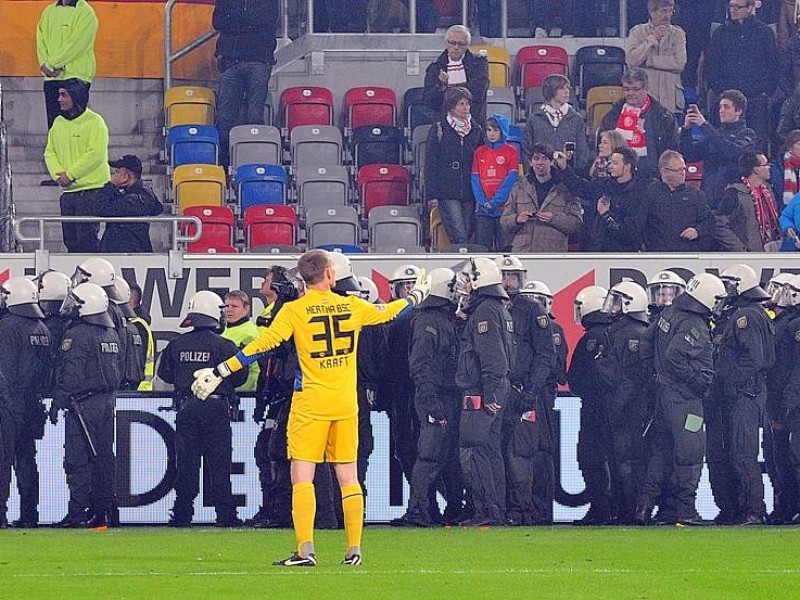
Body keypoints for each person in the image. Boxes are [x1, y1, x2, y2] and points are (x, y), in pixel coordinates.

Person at [191, 250, 431, 567]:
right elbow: (390, 312)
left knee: (301, 476)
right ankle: (353, 549)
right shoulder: (352, 306)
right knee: (348, 477)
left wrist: (220, 371)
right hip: (345, 404)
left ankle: (306, 550)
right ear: (330, 275)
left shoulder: (294, 311)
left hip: (310, 405)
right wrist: (416, 295)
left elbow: (260, 347)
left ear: (303, 278)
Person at [634, 273, 725, 525]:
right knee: (691, 452)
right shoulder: (694, 323)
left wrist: (654, 375)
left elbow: (647, 342)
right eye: (716, 299)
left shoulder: (670, 312)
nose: (718, 305)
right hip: (686, 401)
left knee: (661, 454)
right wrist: (697, 381)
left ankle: (645, 507)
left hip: (664, 397)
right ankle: (685, 510)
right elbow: (675, 356)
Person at [158, 291, 247, 527]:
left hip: (187, 409)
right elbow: (240, 377)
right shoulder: (226, 346)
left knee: (186, 462)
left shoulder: (177, 344)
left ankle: (182, 514)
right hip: (217, 409)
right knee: (219, 463)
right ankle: (226, 515)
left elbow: (164, 374)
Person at [392, 268, 461, 527]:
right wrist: (432, 402)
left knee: (444, 456)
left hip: (444, 396)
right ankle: (419, 511)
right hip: (435, 397)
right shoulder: (428, 321)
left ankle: (446, 509)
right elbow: (420, 365)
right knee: (430, 456)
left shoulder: (440, 319)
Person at [49, 282, 121, 528]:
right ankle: (104, 511)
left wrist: (58, 401)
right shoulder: (110, 333)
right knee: (102, 457)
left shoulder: (77, 335)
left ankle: (78, 512)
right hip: (106, 403)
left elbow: (72, 374)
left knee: (78, 460)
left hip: (82, 404)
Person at [710, 265, 776, 525]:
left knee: (743, 455)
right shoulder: (746, 314)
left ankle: (754, 510)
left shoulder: (746, 317)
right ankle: (738, 509)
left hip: (745, 394)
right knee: (733, 454)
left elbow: (755, 359)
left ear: (741, 286)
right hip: (741, 393)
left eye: (729, 285)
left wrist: (730, 382)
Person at [453, 257, 514, 527]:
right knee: (489, 452)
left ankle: (485, 511)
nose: (465, 285)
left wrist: (490, 396)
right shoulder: (496, 308)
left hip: (482, 393)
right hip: (492, 390)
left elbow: (493, 358)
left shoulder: (485, 312)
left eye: (469, 279)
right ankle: (494, 509)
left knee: (474, 450)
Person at [497, 258, 556, 526]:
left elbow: (546, 355)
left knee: (521, 455)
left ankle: (522, 510)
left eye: (514, 276)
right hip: (496, 393)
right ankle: (500, 508)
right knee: (494, 453)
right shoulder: (488, 308)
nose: (510, 282)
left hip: (523, 393)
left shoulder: (533, 311)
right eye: (506, 276)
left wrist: (531, 391)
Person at [594, 282, 651, 524]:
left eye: (617, 301)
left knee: (628, 461)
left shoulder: (632, 333)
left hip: (629, 410)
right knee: (619, 460)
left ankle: (630, 510)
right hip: (619, 405)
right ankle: (623, 509)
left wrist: (618, 404)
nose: (612, 306)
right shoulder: (618, 330)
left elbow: (632, 376)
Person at [0, 278, 51, 529]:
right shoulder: (42, 328)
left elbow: (4, 369)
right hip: (34, 401)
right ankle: (30, 513)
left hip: (10, 401)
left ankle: (1, 514)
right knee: (27, 459)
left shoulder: (7, 327)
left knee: (3, 460)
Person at [43, 78, 109, 253]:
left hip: (91, 192)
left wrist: (70, 175)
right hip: (68, 193)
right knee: (70, 241)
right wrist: (59, 176)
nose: (59, 99)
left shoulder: (95, 122)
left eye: (63, 95)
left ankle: (91, 277)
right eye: (59, 95)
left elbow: (96, 154)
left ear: (76, 96)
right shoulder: (58, 122)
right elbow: (49, 152)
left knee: (87, 242)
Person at [212, 0, 278, 169]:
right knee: (225, 118)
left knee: (254, 117)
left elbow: (264, 20)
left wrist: (234, 22)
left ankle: (252, 165)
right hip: (230, 61)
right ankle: (224, 166)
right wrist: (246, 24)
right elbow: (218, 21)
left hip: (259, 60)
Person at [519, 279, 565, 524]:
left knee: (542, 450)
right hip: (525, 392)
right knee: (523, 451)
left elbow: (558, 370)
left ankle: (541, 509)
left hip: (543, 395)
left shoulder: (554, 330)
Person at [568, 285, 614, 525]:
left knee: (590, 458)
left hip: (593, 410)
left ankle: (599, 509)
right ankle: (618, 509)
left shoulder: (590, 339)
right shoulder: (615, 333)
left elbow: (574, 377)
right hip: (618, 412)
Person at [705, 0, 779, 144]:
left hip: (756, 98)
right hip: (727, 97)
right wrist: (721, 90)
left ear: (750, 7)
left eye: (738, 7)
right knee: (724, 142)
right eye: (731, 6)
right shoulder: (720, 33)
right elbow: (711, 66)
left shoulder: (764, 32)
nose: (733, 10)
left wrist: (764, 91)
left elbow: (773, 66)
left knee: (757, 142)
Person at [425, 87, 484, 245]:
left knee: (469, 231)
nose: (466, 108)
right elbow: (431, 162)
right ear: (451, 106)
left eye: (467, 104)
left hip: (470, 190)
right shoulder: (439, 129)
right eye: (461, 104)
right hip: (447, 190)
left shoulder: (477, 130)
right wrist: (432, 194)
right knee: (459, 234)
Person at [598, 67, 680, 181]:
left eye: (635, 89)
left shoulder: (663, 116)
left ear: (646, 88)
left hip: (652, 179)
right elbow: (602, 143)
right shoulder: (613, 114)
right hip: (619, 180)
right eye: (627, 89)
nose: (630, 93)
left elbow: (672, 150)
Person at [680, 90, 758, 208]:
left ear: (739, 111)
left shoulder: (747, 134)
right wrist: (687, 129)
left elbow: (731, 152)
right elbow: (689, 155)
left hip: (732, 199)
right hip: (709, 197)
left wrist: (704, 125)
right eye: (720, 107)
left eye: (726, 107)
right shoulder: (715, 134)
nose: (721, 110)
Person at [381, 264, 421, 487]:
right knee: (406, 447)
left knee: (419, 449)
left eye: (413, 285)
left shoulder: (429, 317)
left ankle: (427, 505)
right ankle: (425, 505)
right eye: (405, 286)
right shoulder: (388, 319)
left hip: (416, 391)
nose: (409, 291)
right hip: (402, 392)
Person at [500, 143, 583, 253]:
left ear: (551, 161)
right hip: (523, 253)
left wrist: (554, 219)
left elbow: (576, 224)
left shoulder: (566, 188)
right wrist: (517, 219)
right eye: (536, 158)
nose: (540, 162)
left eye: (544, 158)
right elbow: (504, 222)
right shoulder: (519, 187)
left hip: (552, 254)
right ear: (530, 162)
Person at [764, 274, 800, 523]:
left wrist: (787, 402)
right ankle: (785, 507)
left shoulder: (792, 326)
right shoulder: (780, 324)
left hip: (790, 403)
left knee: (794, 456)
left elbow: (792, 369)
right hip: (778, 401)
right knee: (777, 458)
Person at [36, 0, 98, 131]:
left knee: (75, 131)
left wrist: (51, 65)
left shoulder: (85, 13)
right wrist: (44, 64)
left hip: (76, 78)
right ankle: (57, 152)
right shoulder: (48, 12)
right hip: (52, 79)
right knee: (55, 129)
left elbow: (78, 45)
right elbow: (40, 40)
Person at [637, 150, 714, 251]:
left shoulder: (696, 194)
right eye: (678, 170)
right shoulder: (649, 193)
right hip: (656, 256)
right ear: (664, 171)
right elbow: (639, 223)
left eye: (683, 169)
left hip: (689, 256)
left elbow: (709, 221)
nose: (682, 173)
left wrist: (697, 231)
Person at [625, 0, 687, 115]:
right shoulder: (637, 32)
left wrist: (649, 61)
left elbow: (679, 63)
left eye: (670, 11)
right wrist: (651, 39)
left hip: (671, 99)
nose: (667, 16)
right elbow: (631, 60)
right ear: (652, 12)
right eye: (663, 11)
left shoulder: (678, 34)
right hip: (646, 98)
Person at [715, 151, 782, 252]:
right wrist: (741, 249)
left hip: (770, 252)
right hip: (747, 256)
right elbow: (720, 225)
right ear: (756, 169)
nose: (769, 167)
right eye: (765, 164)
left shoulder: (768, 191)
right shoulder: (734, 193)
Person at [96, 155, 163, 253]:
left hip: (129, 254)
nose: (114, 175)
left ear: (127, 176)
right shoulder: (130, 192)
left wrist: (111, 185)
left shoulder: (138, 198)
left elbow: (102, 208)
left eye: (118, 172)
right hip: (121, 252)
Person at [471, 114, 519, 251]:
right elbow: (475, 179)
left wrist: (495, 202)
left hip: (504, 210)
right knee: (481, 249)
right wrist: (482, 202)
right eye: (489, 130)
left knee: (506, 249)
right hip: (483, 210)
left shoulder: (511, 152)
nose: (491, 134)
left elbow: (510, 181)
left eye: (496, 130)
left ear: (503, 131)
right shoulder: (479, 152)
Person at [522, 74, 589, 173]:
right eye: (562, 88)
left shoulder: (576, 119)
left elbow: (581, 150)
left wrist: (576, 175)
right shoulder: (534, 119)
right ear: (551, 91)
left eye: (567, 88)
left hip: (568, 176)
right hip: (540, 176)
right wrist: (530, 174)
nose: (567, 91)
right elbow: (527, 150)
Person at [423, 25, 489, 123]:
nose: (456, 47)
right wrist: (441, 86)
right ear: (446, 43)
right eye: (452, 43)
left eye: (461, 44)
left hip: (473, 120)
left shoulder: (479, 64)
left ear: (467, 45)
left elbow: (478, 93)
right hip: (444, 121)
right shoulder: (435, 67)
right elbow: (428, 100)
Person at [588, 147, 646, 252]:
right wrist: (564, 169)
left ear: (627, 167)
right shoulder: (604, 186)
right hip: (598, 251)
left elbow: (629, 232)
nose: (610, 166)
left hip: (622, 255)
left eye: (615, 163)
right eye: (610, 162)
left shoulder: (639, 194)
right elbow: (581, 187)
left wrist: (606, 214)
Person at [221, 290, 261, 392]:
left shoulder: (249, 334)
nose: (229, 310)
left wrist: (243, 392)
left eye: (234, 306)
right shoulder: (226, 329)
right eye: (226, 306)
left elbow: (255, 369)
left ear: (246, 309)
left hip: (244, 393)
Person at [770, 130, 800, 205]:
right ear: (790, 146)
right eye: (799, 144)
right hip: (784, 209)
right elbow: (777, 191)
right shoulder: (778, 165)